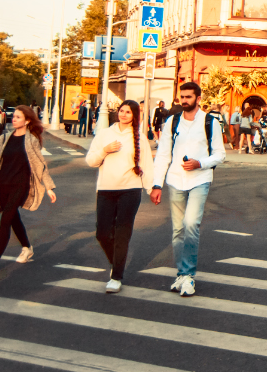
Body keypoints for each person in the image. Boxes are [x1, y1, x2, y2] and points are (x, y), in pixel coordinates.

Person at [150, 82, 227, 297]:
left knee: (191, 224)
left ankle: (189, 275)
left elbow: (220, 154)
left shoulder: (210, 122)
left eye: (188, 97)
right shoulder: (172, 122)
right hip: (175, 180)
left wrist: (199, 163)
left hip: (200, 179)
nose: (184, 100)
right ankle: (182, 274)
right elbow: (163, 154)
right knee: (177, 230)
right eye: (182, 97)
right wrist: (156, 184)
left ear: (198, 99)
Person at [86, 99, 154, 292]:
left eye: (128, 112)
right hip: (106, 189)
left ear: (134, 116)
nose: (123, 114)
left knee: (122, 233)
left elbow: (147, 166)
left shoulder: (140, 138)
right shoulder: (104, 134)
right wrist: (105, 150)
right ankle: (116, 263)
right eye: (122, 111)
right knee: (102, 233)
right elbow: (91, 161)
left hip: (130, 190)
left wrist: (151, 189)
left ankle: (116, 276)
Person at [0, 106, 56, 273]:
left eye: (18, 117)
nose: (13, 119)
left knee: (5, 220)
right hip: (4, 185)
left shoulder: (31, 140)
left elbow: (40, 164)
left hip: (20, 186)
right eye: (13, 116)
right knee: (13, 218)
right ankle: (27, 248)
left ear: (27, 121)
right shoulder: (4, 138)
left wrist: (49, 187)